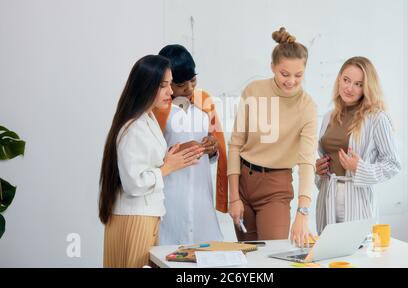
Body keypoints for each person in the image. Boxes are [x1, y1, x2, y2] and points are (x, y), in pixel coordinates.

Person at [99, 55, 204, 267]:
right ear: (146, 86)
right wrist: (167, 168)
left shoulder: (147, 119)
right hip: (135, 218)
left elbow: (143, 163)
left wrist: (167, 158)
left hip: (145, 215)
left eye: (170, 84)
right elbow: (134, 183)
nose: (171, 91)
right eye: (163, 85)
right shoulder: (133, 127)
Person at [227, 27, 318, 247]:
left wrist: (303, 213)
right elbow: (235, 145)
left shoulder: (307, 107)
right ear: (273, 67)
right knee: (247, 256)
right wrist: (234, 197)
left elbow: (307, 162)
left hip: (276, 187)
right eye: (284, 74)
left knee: (271, 257)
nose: (291, 81)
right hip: (243, 183)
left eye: (299, 75)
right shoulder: (254, 91)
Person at [314, 56, 401, 234]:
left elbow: (393, 164)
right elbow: (325, 155)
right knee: (326, 255)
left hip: (357, 200)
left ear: (367, 88)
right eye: (346, 80)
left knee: (357, 256)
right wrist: (319, 169)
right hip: (327, 196)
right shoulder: (328, 117)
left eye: (358, 84)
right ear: (339, 79)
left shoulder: (376, 118)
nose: (349, 88)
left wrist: (359, 168)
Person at [154, 44, 228, 245]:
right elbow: (149, 154)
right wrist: (179, 150)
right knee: (167, 251)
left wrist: (213, 148)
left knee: (206, 250)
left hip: (201, 192)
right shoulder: (157, 108)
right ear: (166, 82)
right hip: (170, 193)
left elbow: (217, 145)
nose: (189, 88)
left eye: (193, 80)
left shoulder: (204, 102)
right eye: (180, 84)